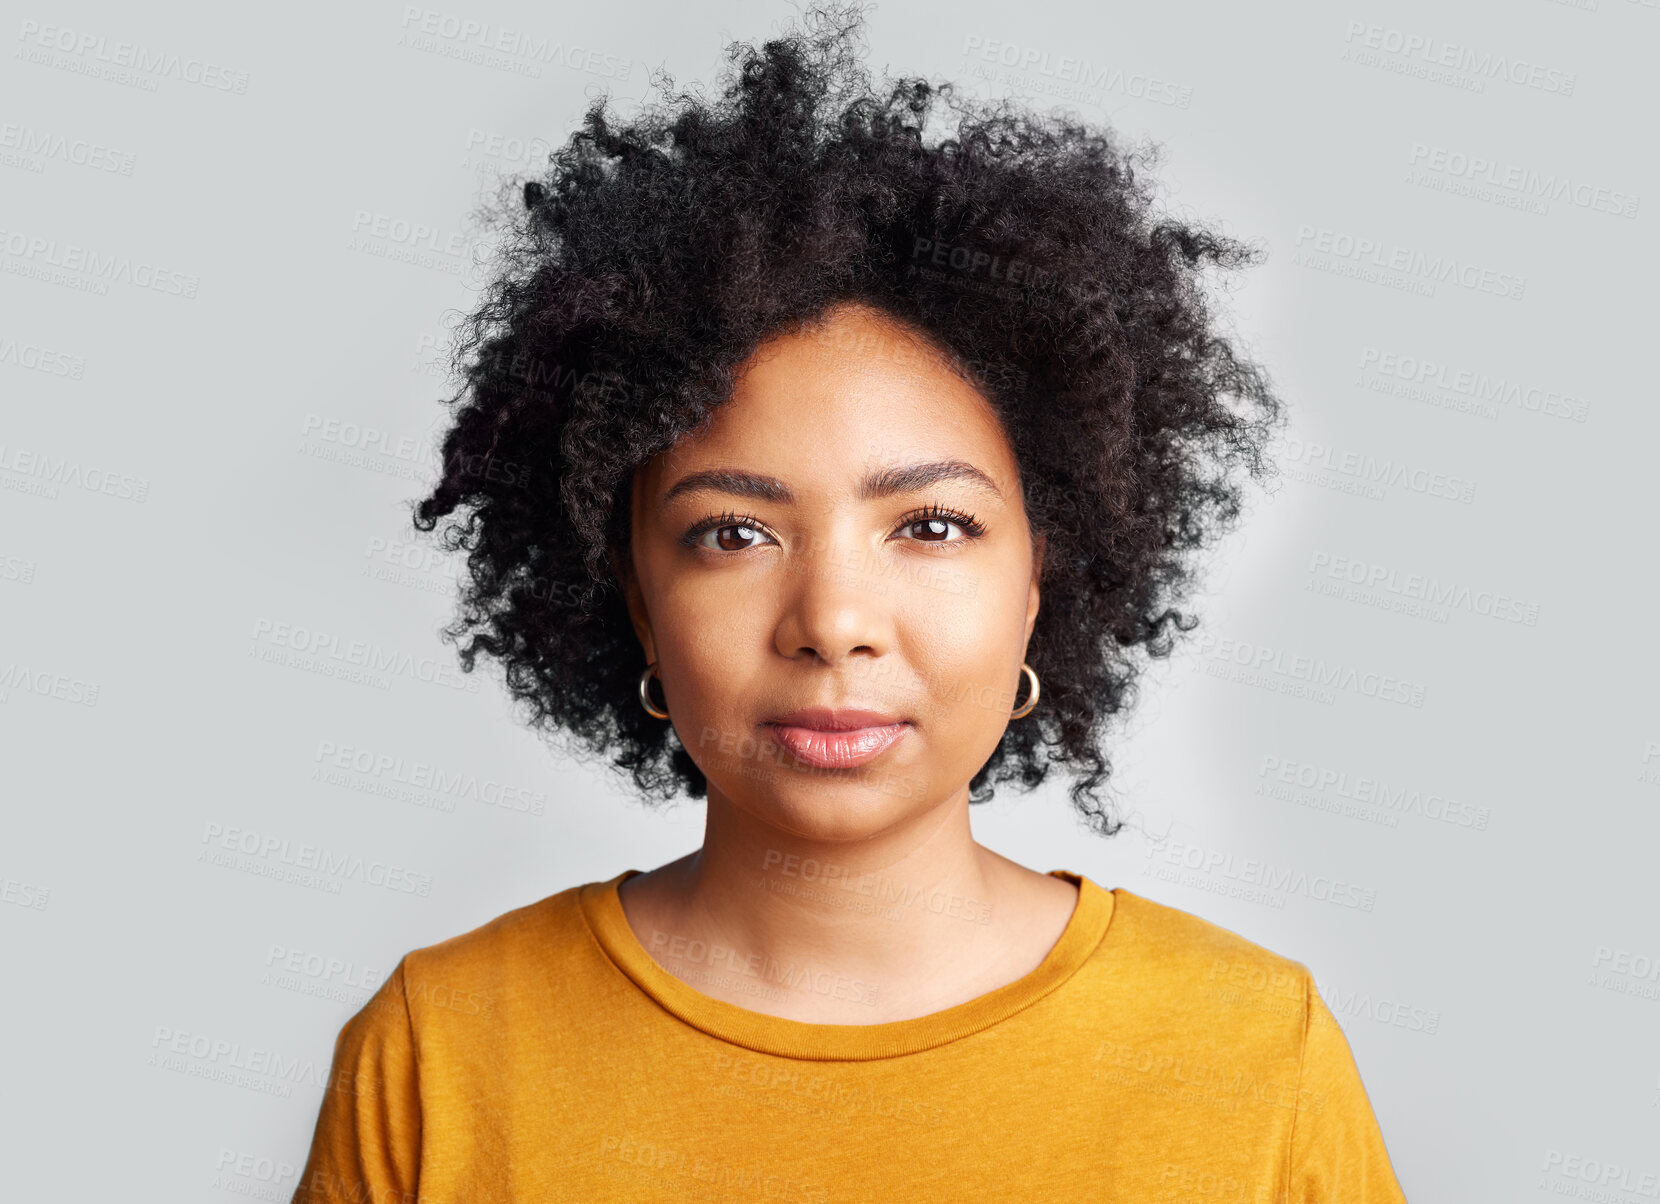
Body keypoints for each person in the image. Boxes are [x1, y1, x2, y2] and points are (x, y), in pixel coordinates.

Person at [292, 5, 1409, 1200]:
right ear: (633, 592)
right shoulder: (442, 1050)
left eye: (931, 526)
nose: (833, 619)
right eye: (733, 532)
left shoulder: (1250, 1047)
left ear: (1043, 577)